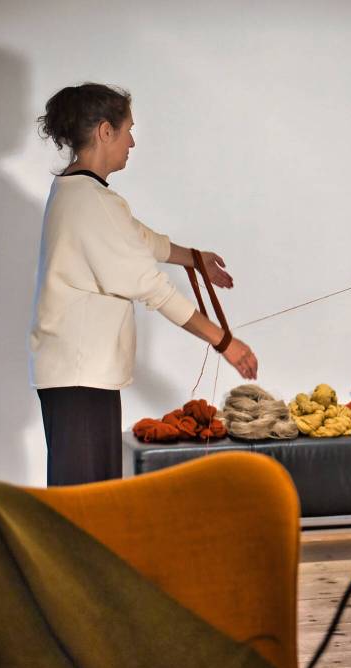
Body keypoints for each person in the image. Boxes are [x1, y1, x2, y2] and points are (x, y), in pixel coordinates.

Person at [31, 83, 258, 486]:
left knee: (93, 496)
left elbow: (136, 237)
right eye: (128, 129)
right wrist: (225, 342)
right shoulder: (89, 200)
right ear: (105, 131)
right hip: (79, 376)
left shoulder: (80, 193)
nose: (132, 141)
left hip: (82, 374)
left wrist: (193, 258)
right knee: (83, 503)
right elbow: (152, 287)